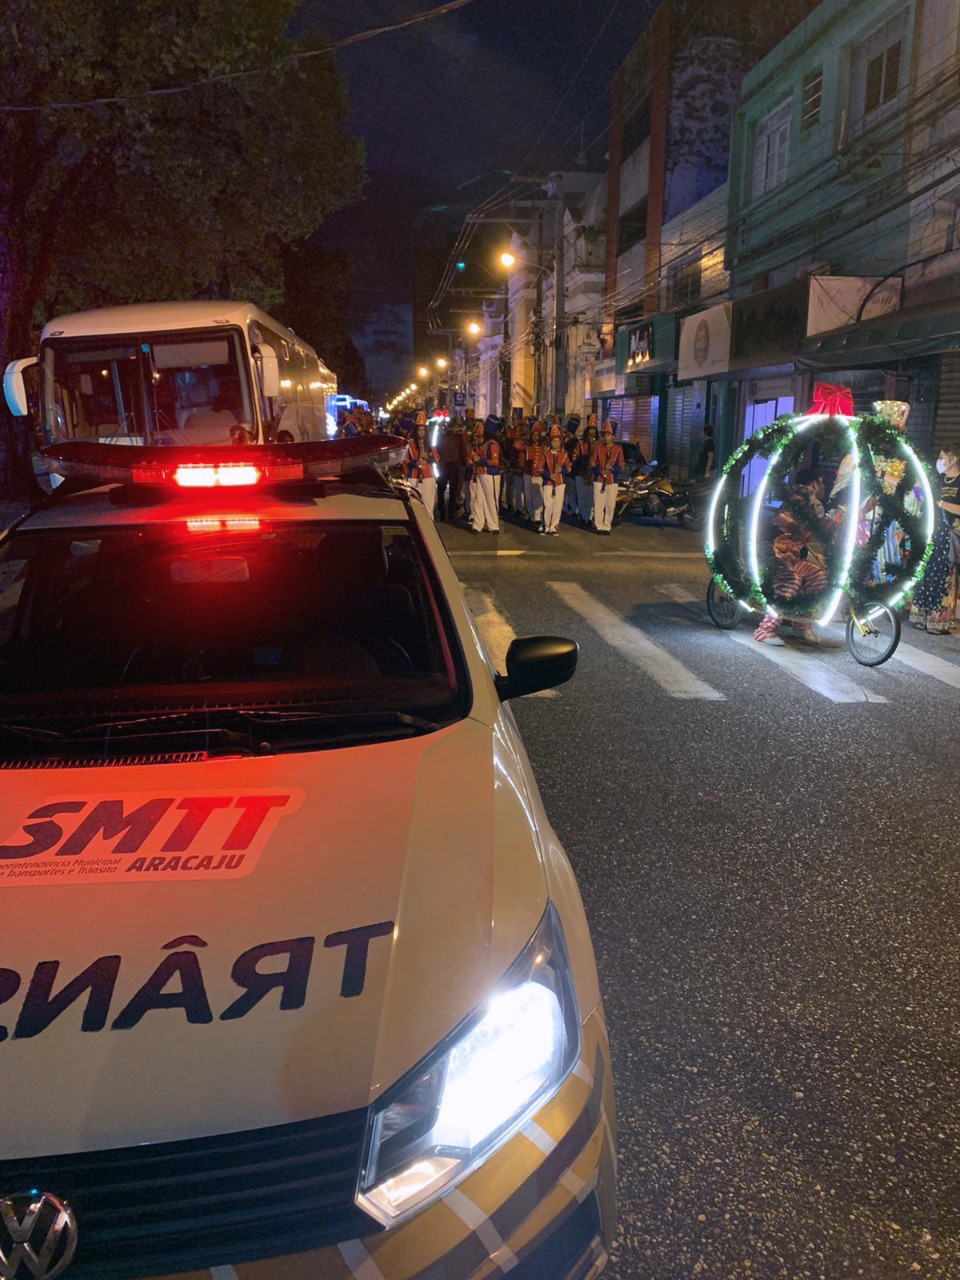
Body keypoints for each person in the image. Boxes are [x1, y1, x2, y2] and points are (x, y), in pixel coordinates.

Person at [753, 468, 832, 645]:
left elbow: (822, 526)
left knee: (818, 575)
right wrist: (792, 525)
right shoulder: (792, 503)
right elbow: (779, 517)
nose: (823, 486)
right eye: (821, 482)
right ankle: (764, 629)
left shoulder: (813, 509)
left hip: (793, 558)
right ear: (813, 484)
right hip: (772, 555)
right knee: (791, 579)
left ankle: (801, 623)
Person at [910, 446, 960, 633]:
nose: (939, 461)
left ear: (953, 460)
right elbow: (920, 497)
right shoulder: (938, 480)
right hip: (932, 533)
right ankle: (921, 615)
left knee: (944, 574)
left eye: (943, 457)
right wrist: (917, 489)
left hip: (949, 535)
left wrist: (941, 503)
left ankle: (938, 620)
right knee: (926, 572)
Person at [402, 415, 439, 519]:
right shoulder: (410, 444)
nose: (421, 432)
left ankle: (429, 526)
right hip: (413, 477)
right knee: (414, 504)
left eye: (423, 430)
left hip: (428, 477)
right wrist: (415, 463)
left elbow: (437, 459)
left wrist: (428, 457)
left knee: (428, 504)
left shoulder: (430, 444)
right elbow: (404, 460)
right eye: (419, 430)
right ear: (416, 430)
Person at [591, 419, 625, 534]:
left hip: (612, 481)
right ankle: (599, 526)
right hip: (599, 480)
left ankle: (607, 525)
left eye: (609, 435)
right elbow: (592, 463)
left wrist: (611, 469)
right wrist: (600, 471)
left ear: (613, 436)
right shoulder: (598, 447)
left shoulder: (618, 449)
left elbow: (620, 466)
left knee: (610, 505)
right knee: (598, 505)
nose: (606, 438)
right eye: (605, 435)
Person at [470, 417, 502, 533]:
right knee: (479, 499)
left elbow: (495, 462)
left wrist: (479, 460)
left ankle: (493, 525)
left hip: (490, 474)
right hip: (482, 473)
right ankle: (477, 525)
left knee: (491, 500)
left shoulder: (492, 444)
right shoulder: (485, 443)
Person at [541, 426, 569, 535]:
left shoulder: (564, 454)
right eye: (554, 441)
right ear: (550, 442)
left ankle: (554, 527)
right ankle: (546, 525)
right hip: (548, 483)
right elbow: (539, 468)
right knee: (548, 505)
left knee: (558, 506)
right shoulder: (545, 454)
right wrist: (548, 475)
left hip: (560, 483)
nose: (556, 443)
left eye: (558, 441)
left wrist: (561, 469)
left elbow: (568, 468)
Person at [520, 420, 547, 531]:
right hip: (528, 474)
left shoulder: (544, 447)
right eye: (533, 434)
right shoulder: (526, 447)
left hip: (539, 475)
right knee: (529, 496)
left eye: (537, 434)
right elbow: (517, 445)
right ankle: (530, 514)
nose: (535, 437)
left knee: (538, 495)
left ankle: (537, 516)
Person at [572, 417, 598, 526]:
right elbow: (574, 457)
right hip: (581, 472)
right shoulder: (581, 443)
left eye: (593, 429)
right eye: (590, 428)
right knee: (582, 496)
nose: (591, 431)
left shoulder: (598, 444)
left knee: (591, 497)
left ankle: (590, 517)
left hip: (592, 474)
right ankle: (583, 516)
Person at [436, 417, 462, 521]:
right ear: (454, 425)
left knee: (441, 489)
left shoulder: (442, 437)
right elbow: (462, 451)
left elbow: (438, 448)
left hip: (443, 465)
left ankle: (441, 511)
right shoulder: (457, 437)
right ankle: (451, 512)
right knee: (453, 490)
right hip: (454, 465)